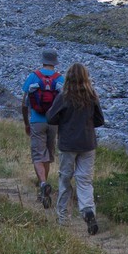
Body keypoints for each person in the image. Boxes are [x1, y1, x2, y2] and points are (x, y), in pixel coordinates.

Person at [45, 60, 104, 234]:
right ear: (86, 77)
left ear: (68, 77)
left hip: (67, 144)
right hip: (87, 144)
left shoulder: (64, 96)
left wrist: (64, 121)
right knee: (84, 181)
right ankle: (88, 210)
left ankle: (63, 218)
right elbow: (100, 120)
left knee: (65, 180)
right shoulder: (92, 96)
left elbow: (50, 118)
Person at [21, 46, 62, 207]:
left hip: (36, 121)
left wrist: (26, 123)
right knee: (48, 155)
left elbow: (24, 103)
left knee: (38, 155)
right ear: (55, 62)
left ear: (43, 60)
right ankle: (44, 189)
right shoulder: (60, 79)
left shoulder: (33, 77)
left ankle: (43, 184)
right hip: (54, 122)